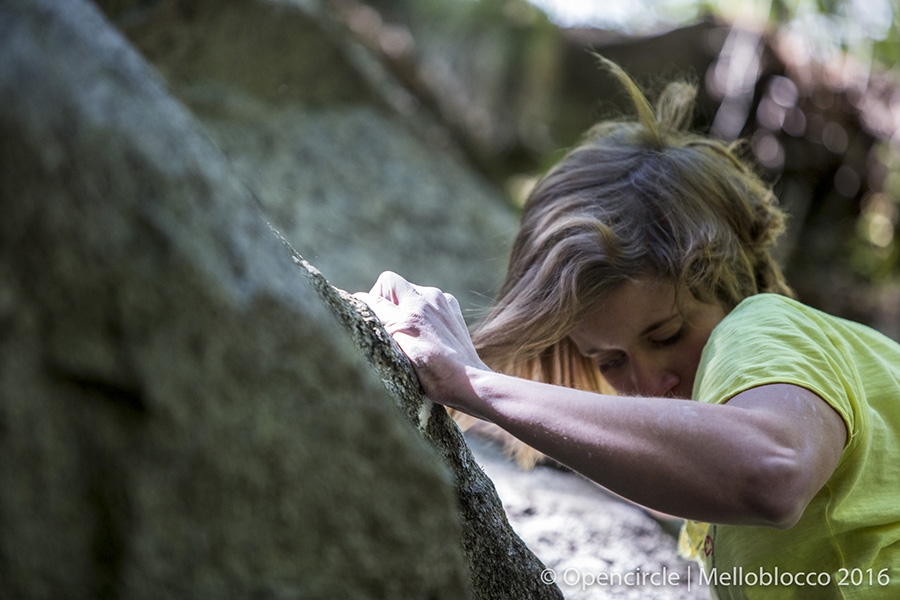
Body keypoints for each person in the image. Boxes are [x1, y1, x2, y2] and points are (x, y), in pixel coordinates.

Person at [356, 57, 899, 599]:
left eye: (666, 336)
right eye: (609, 361)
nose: (646, 381)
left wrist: (473, 383)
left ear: (731, 285)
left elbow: (771, 472)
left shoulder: (759, 324)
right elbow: (672, 475)